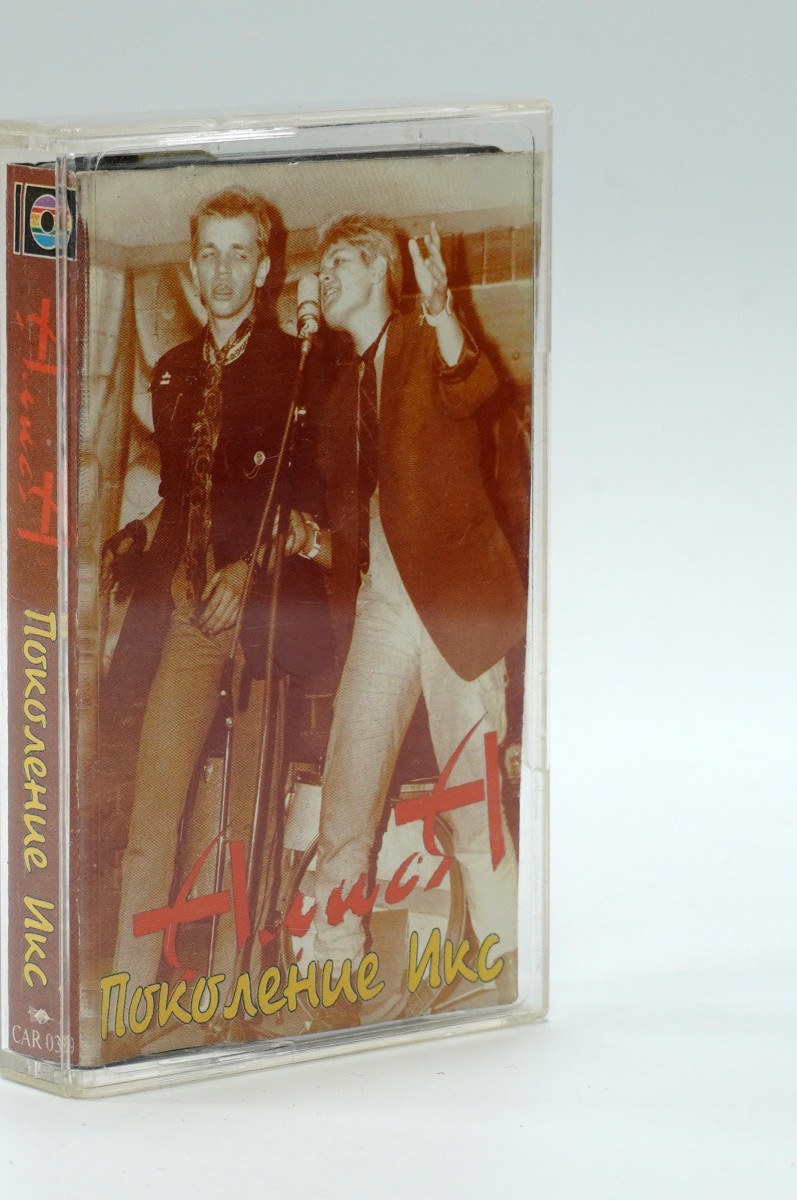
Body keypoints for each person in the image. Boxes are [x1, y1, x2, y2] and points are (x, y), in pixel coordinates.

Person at [103, 187, 325, 1016]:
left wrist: (249, 570)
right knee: (153, 815)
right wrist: (142, 542)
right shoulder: (172, 372)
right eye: (210, 254)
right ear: (194, 267)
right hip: (190, 617)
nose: (224, 270)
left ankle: (233, 999)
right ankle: (128, 999)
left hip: (266, 617)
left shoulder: (300, 365)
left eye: (241, 254)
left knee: (247, 822)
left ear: (264, 268)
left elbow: (309, 503)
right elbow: (182, 493)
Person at [305, 213, 526, 1018]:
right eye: (322, 265)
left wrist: (440, 307)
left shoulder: (422, 339)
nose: (325, 275)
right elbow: (356, 520)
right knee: (346, 792)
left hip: (456, 601)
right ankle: (335, 974)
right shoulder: (340, 388)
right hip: (384, 608)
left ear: (378, 271)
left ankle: (504, 966)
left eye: (340, 260)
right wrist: (314, 542)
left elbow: (474, 384)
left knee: (471, 803)